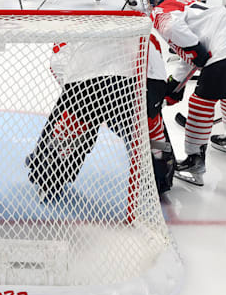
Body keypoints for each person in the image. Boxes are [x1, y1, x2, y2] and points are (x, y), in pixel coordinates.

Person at [26, 24, 172, 200]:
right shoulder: (139, 29)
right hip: (135, 86)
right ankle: (158, 178)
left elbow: (58, 64)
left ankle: (49, 175)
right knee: (149, 128)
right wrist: (158, 96)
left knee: (68, 126)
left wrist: (71, 96)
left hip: (90, 84)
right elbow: (156, 64)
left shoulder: (73, 30)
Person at [142, 0, 226, 186]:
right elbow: (193, 54)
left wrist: (193, 52)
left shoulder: (160, 10)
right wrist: (176, 84)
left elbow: (177, 34)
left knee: (200, 103)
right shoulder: (189, 4)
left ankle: (193, 161)